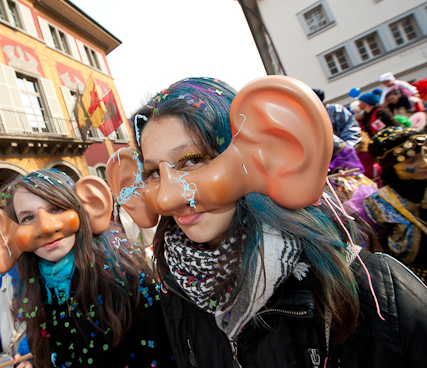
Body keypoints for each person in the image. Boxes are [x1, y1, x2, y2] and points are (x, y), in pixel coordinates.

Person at [106, 76, 427, 367]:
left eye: (192, 160)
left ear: (262, 150)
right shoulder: (177, 292)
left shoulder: (379, 292)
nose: (166, 199)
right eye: (152, 174)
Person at [0, 170, 176, 368]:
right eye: (28, 218)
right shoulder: (33, 289)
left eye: (56, 209)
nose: (46, 227)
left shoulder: (128, 278)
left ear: (86, 207)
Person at [364, 126, 427, 282]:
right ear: (390, 167)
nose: (424, 163)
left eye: (425, 154)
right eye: (412, 160)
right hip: (417, 276)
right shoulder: (378, 202)